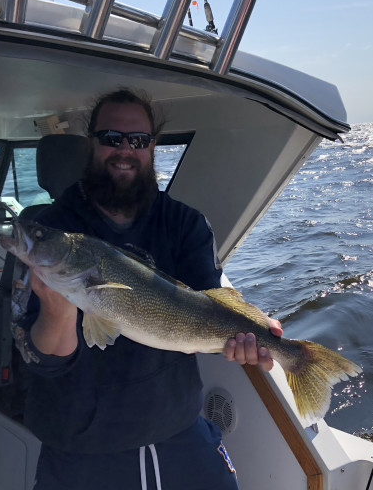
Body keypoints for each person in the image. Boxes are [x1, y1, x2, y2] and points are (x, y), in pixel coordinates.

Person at [18, 88, 282, 489]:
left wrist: (253, 331)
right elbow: (47, 360)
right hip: (82, 444)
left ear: (152, 147)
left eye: (138, 141)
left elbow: (210, 307)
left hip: (178, 426)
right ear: (92, 143)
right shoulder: (50, 230)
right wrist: (57, 307)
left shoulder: (184, 223)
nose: (124, 150)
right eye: (111, 138)